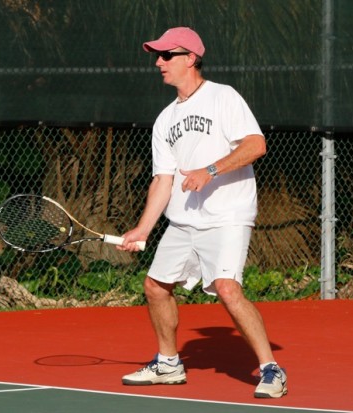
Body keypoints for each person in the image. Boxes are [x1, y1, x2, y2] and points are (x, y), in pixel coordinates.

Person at [117, 27, 288, 399]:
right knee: (155, 287)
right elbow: (162, 180)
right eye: (157, 56)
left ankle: (271, 369)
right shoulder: (165, 120)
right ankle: (168, 364)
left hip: (228, 215)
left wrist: (210, 170)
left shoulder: (223, 97)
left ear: (191, 58)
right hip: (184, 220)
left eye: (167, 55)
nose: (159, 63)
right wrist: (142, 229)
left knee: (227, 289)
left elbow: (256, 145)